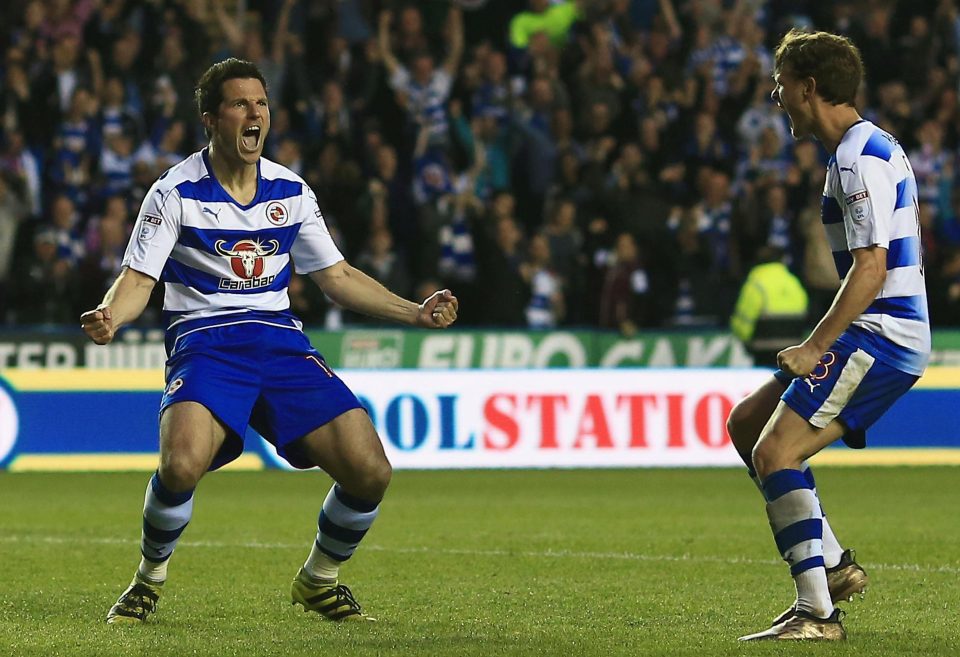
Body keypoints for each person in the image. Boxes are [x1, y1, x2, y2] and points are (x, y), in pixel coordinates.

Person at [80, 58, 459, 624]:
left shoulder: (290, 189)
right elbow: (139, 278)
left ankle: (319, 580)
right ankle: (148, 579)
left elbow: (336, 276)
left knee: (370, 471)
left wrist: (414, 310)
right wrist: (112, 315)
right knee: (180, 465)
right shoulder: (174, 193)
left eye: (261, 103)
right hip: (207, 343)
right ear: (212, 120)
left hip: (281, 343)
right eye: (240, 104)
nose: (254, 114)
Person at [726, 30, 930, 641]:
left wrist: (816, 344)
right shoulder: (865, 148)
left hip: (883, 334)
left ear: (809, 88)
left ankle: (817, 614)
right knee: (746, 425)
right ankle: (835, 566)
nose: (775, 93)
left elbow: (871, 268)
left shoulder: (857, 159)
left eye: (782, 83)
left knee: (774, 453)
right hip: (881, 329)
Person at [729, 245, 809, 367]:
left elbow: (743, 321)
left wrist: (745, 341)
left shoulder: (755, 283)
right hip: (792, 347)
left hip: (762, 349)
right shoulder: (793, 281)